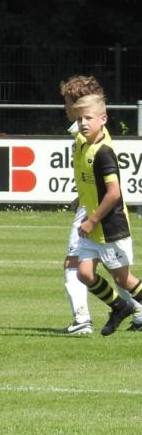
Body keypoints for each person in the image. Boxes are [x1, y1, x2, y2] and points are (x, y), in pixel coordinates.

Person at [57, 76, 141, 335]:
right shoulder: (85, 138)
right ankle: (121, 307)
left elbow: (113, 191)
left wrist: (91, 217)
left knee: (121, 277)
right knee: (83, 270)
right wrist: (81, 196)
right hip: (90, 212)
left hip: (107, 222)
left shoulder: (101, 148)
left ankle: (86, 317)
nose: (70, 112)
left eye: (70, 103)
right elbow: (88, 176)